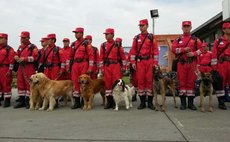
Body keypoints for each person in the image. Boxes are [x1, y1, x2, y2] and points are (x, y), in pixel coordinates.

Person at [172, 21, 202, 110]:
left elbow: (201, 50)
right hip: (181, 64)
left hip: (192, 63)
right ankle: (183, 103)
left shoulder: (196, 39)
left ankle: (191, 103)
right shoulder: (178, 39)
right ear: (182, 28)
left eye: (188, 26)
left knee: (191, 82)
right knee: (181, 83)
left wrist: (193, 53)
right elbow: (173, 49)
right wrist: (183, 49)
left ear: (191, 27)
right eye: (184, 26)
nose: (186, 28)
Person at [129, 19, 159, 110]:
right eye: (140, 26)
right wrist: (133, 62)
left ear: (147, 25)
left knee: (149, 81)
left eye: (143, 25)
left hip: (149, 61)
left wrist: (155, 63)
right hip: (140, 62)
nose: (141, 27)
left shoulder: (151, 37)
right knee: (140, 81)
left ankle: (150, 103)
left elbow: (155, 51)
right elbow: (133, 51)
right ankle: (142, 103)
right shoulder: (136, 38)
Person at [66, 27, 94, 109]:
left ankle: (83, 101)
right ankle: (77, 102)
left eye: (77, 33)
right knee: (75, 82)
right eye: (75, 33)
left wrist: (90, 67)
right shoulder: (73, 44)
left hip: (84, 64)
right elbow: (69, 57)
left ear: (81, 33)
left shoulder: (86, 44)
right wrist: (68, 66)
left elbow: (91, 56)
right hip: (75, 65)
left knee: (84, 82)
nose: (76, 34)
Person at [99, 28, 126, 109]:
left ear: (112, 34)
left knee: (116, 83)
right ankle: (109, 102)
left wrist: (124, 67)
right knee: (107, 84)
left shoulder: (117, 44)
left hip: (116, 66)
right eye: (105, 34)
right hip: (107, 66)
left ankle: (115, 102)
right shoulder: (103, 45)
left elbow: (123, 57)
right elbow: (101, 58)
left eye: (107, 34)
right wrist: (102, 68)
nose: (106, 36)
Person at [14, 31, 38, 109]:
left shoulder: (33, 47)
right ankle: (21, 101)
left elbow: (35, 58)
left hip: (29, 67)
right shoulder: (20, 47)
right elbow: (17, 54)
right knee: (20, 82)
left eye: (23, 38)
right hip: (21, 67)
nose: (22, 39)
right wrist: (16, 57)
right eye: (21, 38)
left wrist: (25, 59)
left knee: (29, 83)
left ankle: (28, 101)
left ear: (28, 38)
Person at [211, 22, 230, 110]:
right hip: (222, 64)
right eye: (228, 28)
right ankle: (221, 102)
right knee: (221, 83)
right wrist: (215, 68)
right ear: (224, 30)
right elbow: (214, 54)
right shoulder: (218, 41)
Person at [0, 33, 15, 107]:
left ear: (5, 39)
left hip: (5, 68)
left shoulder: (9, 49)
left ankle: (7, 100)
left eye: (1, 38)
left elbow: (12, 61)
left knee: (6, 85)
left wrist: (10, 70)